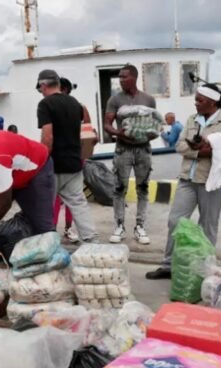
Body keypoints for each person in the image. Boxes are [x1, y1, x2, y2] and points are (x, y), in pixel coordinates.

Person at [146, 83, 221, 280]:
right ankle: (168, 264)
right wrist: (202, 152)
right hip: (187, 178)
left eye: (200, 100)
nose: (195, 103)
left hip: (211, 181)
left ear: (212, 102)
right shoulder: (191, 120)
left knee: (207, 225)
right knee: (175, 220)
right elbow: (180, 146)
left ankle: (204, 269)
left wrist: (208, 151)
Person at [36, 69, 98, 244]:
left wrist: (41, 162)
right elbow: (87, 133)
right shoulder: (75, 104)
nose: (41, 92)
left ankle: (46, 244)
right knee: (78, 203)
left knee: (45, 206)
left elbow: (48, 136)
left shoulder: (45, 105)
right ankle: (92, 241)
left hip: (54, 164)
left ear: (43, 85)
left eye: (40, 88)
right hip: (74, 163)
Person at [104, 64, 157, 245]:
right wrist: (118, 132)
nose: (121, 80)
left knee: (143, 189)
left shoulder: (148, 100)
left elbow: (154, 123)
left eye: (124, 77)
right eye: (119, 77)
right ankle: (119, 226)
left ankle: (140, 226)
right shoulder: (115, 100)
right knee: (119, 189)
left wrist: (154, 132)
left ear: (134, 77)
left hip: (143, 148)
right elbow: (107, 124)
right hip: (123, 148)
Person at [55, 76, 96, 242]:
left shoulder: (54, 108)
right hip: (76, 157)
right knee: (75, 198)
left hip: (60, 158)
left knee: (57, 199)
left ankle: (54, 232)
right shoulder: (80, 108)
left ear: (63, 89)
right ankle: (71, 230)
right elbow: (88, 132)